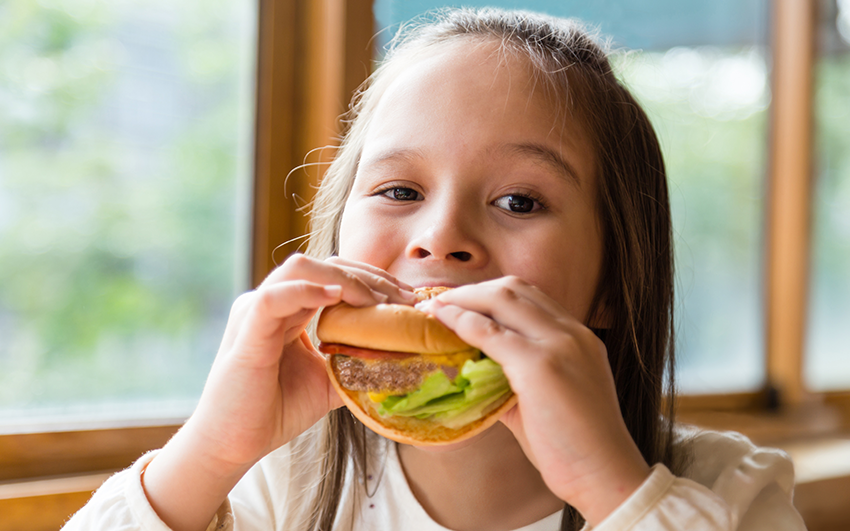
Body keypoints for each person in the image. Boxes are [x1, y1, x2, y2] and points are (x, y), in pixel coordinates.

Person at [63, 8, 806, 531]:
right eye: (399, 191)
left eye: (519, 200)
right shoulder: (274, 484)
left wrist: (613, 490)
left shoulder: (730, 494)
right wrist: (211, 449)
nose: (441, 236)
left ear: (613, 283)